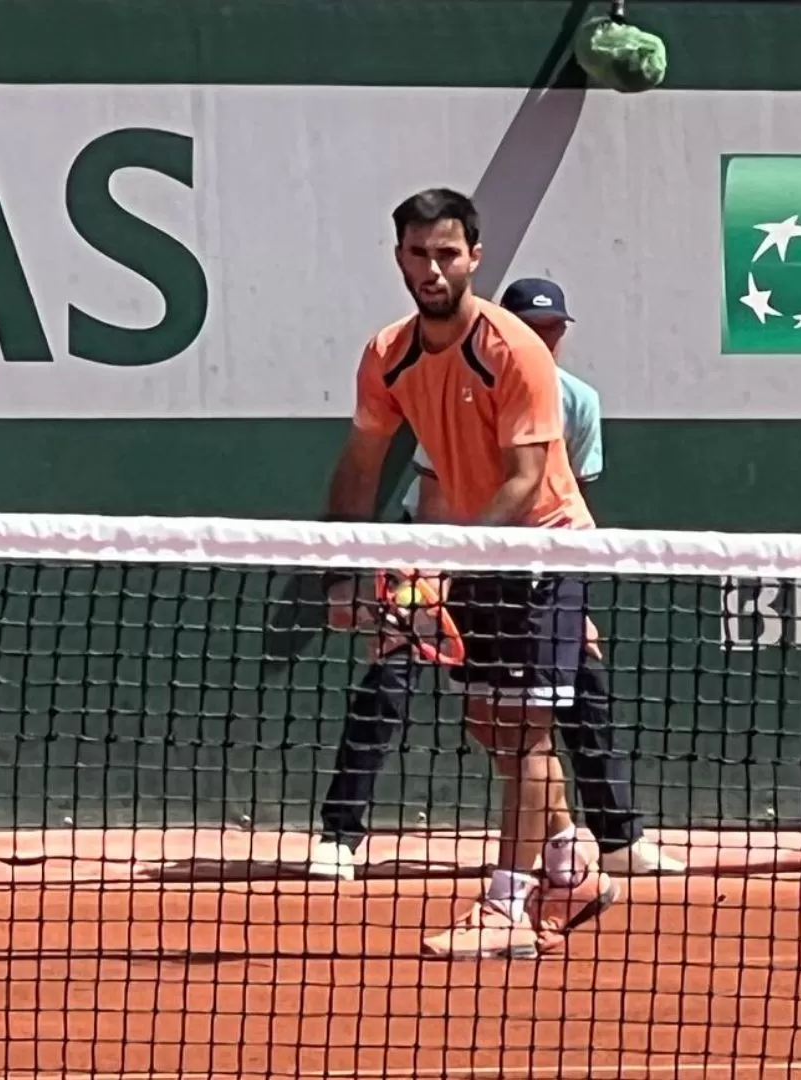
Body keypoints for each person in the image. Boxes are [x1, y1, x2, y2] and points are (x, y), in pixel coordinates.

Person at [322, 187, 618, 959]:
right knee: (492, 725)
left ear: (474, 257)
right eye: (418, 254)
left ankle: (506, 908)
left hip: (541, 550)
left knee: (522, 732)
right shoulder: (388, 353)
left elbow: (524, 479)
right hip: (479, 553)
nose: (432, 267)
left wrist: (444, 566)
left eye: (447, 253)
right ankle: (567, 860)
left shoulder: (513, 349)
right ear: (400, 260)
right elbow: (360, 465)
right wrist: (345, 568)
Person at [309, 276, 685, 882]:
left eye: (553, 328)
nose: (544, 338)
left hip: (537, 564)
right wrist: (424, 580)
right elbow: (432, 497)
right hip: (447, 555)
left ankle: (607, 845)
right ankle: (340, 836)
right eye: (532, 329)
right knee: (404, 692)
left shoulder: (578, 401)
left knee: (572, 704)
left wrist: (573, 595)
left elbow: (564, 495)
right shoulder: (463, 380)